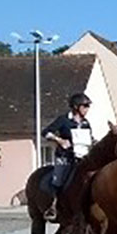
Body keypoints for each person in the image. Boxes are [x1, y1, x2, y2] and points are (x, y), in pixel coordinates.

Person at [41, 93, 95, 221]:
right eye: (85, 106)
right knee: (58, 179)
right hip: (65, 157)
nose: (87, 109)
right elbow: (46, 132)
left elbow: (88, 138)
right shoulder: (63, 120)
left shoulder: (86, 123)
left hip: (82, 157)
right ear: (76, 107)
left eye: (88, 106)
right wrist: (59, 140)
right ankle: (53, 206)